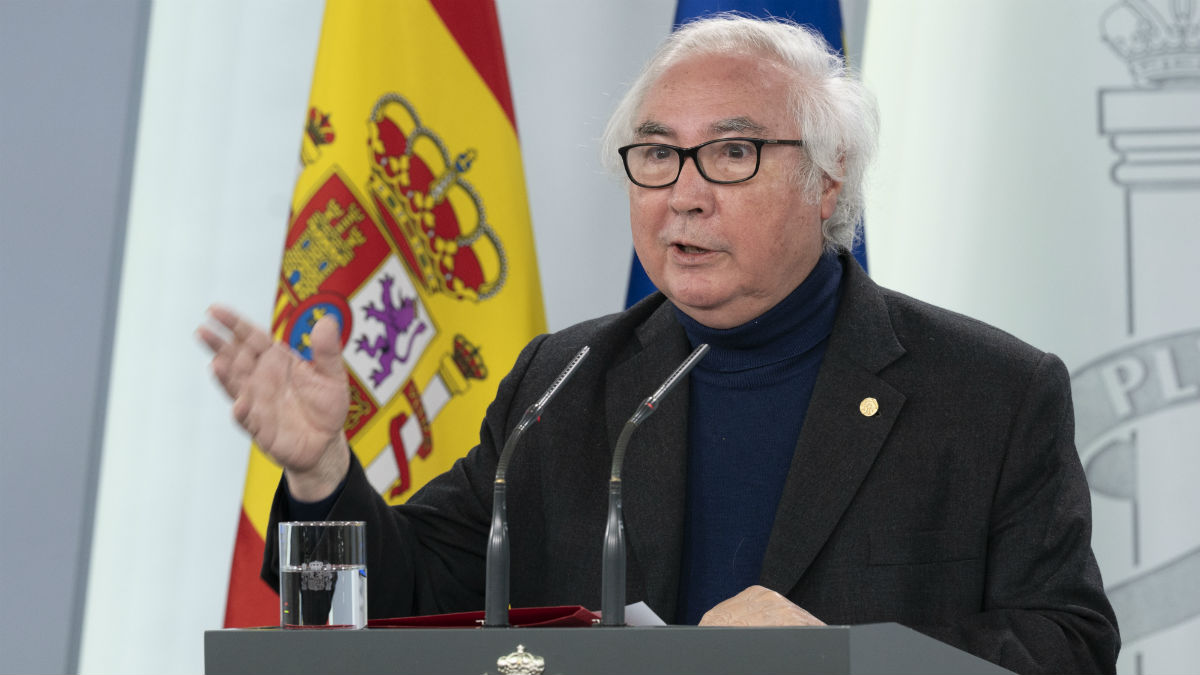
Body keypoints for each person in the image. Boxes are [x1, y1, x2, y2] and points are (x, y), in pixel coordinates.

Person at [199, 15, 1119, 674]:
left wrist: (839, 657)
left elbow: (1069, 647)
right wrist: (323, 469)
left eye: (730, 154)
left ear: (830, 181)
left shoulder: (990, 392)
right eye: (655, 155)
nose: (683, 192)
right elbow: (418, 600)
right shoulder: (564, 381)